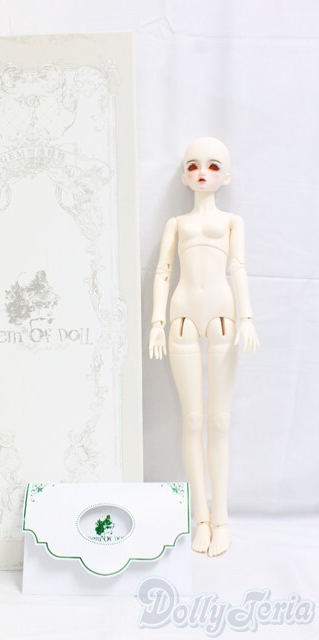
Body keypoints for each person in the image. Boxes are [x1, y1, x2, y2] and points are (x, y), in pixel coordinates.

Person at [149, 137, 259, 556]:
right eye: (193, 165)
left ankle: (222, 519)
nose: (202, 173)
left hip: (223, 317)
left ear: (226, 177)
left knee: (220, 421)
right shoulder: (176, 224)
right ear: (183, 176)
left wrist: (247, 317)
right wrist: (156, 322)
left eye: (213, 166)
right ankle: (201, 518)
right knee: (192, 420)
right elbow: (162, 272)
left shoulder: (232, 221)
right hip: (180, 318)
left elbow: (238, 267)